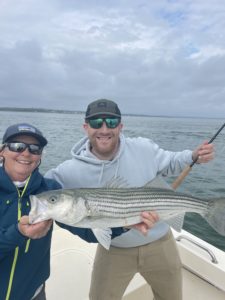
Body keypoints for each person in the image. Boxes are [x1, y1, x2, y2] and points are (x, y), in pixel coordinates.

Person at [45, 99, 214, 300]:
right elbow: (37, 187)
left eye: (112, 122)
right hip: (115, 249)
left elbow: (171, 162)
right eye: (97, 122)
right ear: (86, 127)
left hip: (160, 242)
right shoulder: (68, 171)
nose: (104, 129)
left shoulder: (143, 148)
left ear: (121, 126)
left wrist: (192, 156)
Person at [0, 123, 151, 300]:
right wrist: (18, 233)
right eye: (17, 146)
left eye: (35, 149)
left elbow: (87, 230)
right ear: (2, 151)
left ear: (40, 156)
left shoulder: (48, 189)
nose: (26, 153)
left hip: (35, 294)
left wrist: (124, 224)